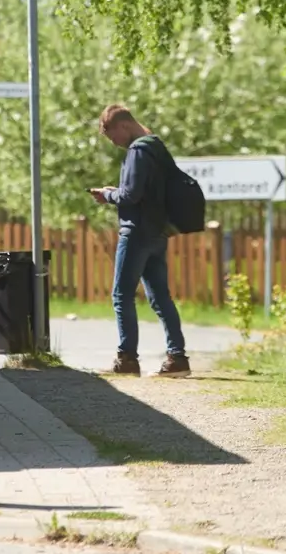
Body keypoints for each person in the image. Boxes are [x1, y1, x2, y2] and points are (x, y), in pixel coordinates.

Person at [88, 103, 190, 378]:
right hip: (159, 233)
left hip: (136, 233)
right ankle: (177, 358)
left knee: (121, 296)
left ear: (124, 126)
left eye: (113, 137)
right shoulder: (157, 147)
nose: (114, 143)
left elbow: (131, 195)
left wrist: (108, 194)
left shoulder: (137, 151)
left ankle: (127, 359)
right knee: (160, 297)